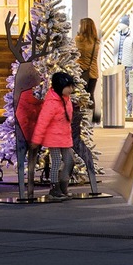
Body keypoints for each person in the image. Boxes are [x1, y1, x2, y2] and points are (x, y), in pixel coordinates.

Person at [31, 71, 76, 200]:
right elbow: (42, 122)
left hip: (65, 137)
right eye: (69, 87)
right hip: (53, 138)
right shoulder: (51, 102)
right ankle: (54, 188)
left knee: (69, 161)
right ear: (60, 86)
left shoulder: (66, 100)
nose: (71, 89)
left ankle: (63, 186)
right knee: (56, 161)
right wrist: (36, 140)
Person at [75, 18, 100, 121]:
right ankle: (92, 118)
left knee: (80, 96)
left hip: (81, 72)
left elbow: (76, 55)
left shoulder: (79, 40)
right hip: (93, 72)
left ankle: (82, 118)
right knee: (90, 95)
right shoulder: (96, 42)